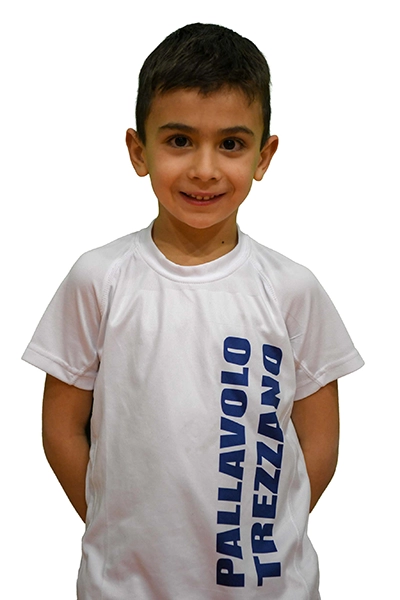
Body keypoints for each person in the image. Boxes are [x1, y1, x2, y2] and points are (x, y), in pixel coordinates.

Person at [22, 23, 364, 600]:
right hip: (124, 586)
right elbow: (61, 429)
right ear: (139, 151)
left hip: (264, 586)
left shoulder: (292, 289)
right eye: (179, 140)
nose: (205, 169)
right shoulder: (98, 278)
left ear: (264, 156)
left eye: (231, 144)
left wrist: (262, 531)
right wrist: (119, 526)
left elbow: (319, 444)